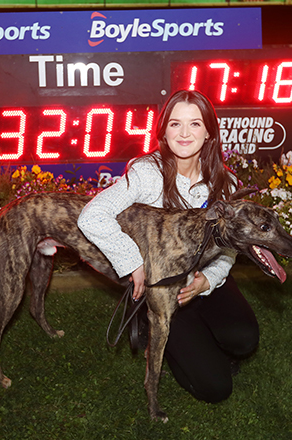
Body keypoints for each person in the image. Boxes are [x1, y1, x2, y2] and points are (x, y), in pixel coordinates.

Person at [77, 90, 259, 403]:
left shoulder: (223, 182)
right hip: (164, 286)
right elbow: (92, 215)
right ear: (163, 131)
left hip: (202, 277)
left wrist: (207, 281)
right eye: (175, 124)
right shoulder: (147, 174)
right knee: (215, 388)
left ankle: (199, 338)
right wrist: (134, 262)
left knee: (244, 341)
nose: (184, 133)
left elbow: (228, 247)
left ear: (209, 133)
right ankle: (155, 327)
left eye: (195, 124)